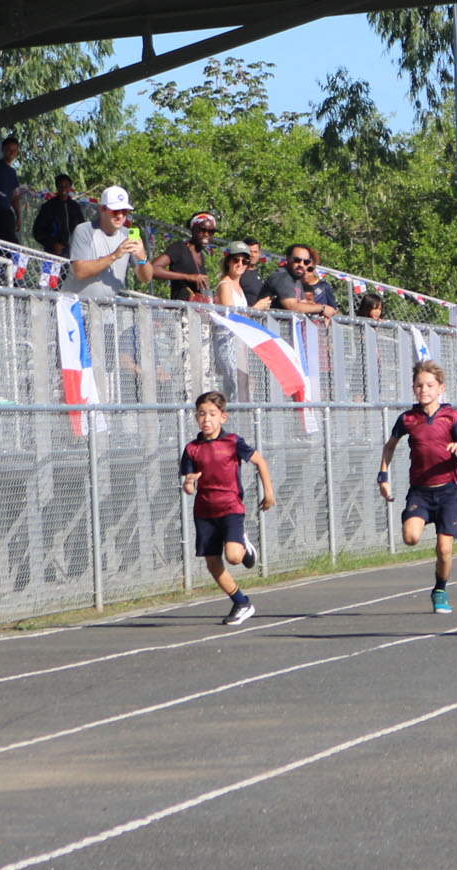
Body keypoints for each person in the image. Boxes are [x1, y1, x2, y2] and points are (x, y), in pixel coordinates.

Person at [377, 360, 457, 614]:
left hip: (448, 490)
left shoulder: (452, 417)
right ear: (413, 389)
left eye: (430, 385)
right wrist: (383, 477)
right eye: (419, 385)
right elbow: (390, 447)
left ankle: (440, 589)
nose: (424, 390)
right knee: (410, 538)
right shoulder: (408, 418)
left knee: (444, 549)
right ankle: (416, 516)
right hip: (420, 491)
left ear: (441, 388)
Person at [179, 391, 275, 626]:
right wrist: (190, 483)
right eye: (202, 414)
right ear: (196, 417)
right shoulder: (192, 448)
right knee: (213, 564)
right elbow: (188, 487)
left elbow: (260, 461)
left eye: (212, 414)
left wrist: (269, 492)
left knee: (233, 557)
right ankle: (241, 602)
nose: (206, 419)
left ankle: (244, 546)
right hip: (204, 513)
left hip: (231, 507)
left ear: (223, 417)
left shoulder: (232, 442)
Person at [64, 185, 154, 298]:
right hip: (76, 305)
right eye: (115, 211)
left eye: (124, 211)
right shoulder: (84, 230)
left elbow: (146, 279)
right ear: (102, 209)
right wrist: (114, 255)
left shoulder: (129, 234)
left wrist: (142, 259)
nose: (120, 216)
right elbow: (80, 271)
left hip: (106, 309)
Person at [213, 242, 254, 400]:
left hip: (239, 341)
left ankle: (243, 420)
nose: (240, 264)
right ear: (228, 261)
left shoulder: (239, 287)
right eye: (236, 260)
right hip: (227, 339)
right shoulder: (225, 285)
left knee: (243, 383)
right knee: (233, 382)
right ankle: (231, 419)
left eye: (244, 261)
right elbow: (231, 317)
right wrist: (255, 308)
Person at [261, 245, 336, 321]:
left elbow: (304, 304)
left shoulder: (296, 280)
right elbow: (292, 306)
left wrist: (323, 314)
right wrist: (322, 308)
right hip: (269, 329)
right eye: (297, 260)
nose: (301, 265)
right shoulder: (282, 277)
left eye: (306, 262)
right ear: (288, 259)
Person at [151, 212, 216, 300]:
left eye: (211, 231)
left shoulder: (201, 256)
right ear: (193, 229)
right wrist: (187, 277)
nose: (206, 234)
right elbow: (153, 269)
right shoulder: (180, 248)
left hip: (194, 311)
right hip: (179, 310)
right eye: (202, 230)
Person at [32, 174, 87, 255]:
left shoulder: (75, 207)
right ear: (57, 188)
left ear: (70, 188)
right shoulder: (48, 206)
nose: (63, 189)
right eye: (61, 186)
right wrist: (52, 244)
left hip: (73, 251)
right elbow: (38, 231)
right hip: (53, 252)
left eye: (66, 186)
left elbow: (82, 228)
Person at [238, 237, 271, 309]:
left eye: (255, 252)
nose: (252, 255)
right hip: (245, 315)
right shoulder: (238, 274)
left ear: (259, 253)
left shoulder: (262, 274)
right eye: (250, 251)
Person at [0, 135, 19, 244]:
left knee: (11, 244)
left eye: (14, 150)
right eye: (9, 150)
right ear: (3, 150)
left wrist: (18, 217)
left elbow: (15, 196)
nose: (11, 153)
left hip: (6, 213)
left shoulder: (12, 172)